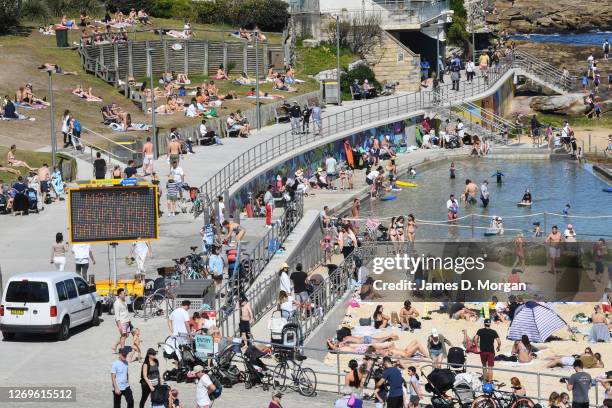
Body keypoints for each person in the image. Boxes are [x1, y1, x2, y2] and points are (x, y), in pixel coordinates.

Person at [113, 288, 131, 353]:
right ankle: (122, 350)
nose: (125, 295)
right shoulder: (116, 303)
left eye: (125, 293)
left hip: (127, 320)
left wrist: (129, 320)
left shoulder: (124, 301)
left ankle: (114, 346)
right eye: (123, 294)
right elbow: (117, 315)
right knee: (123, 336)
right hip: (122, 322)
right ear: (119, 294)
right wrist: (119, 325)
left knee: (126, 335)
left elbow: (126, 311)